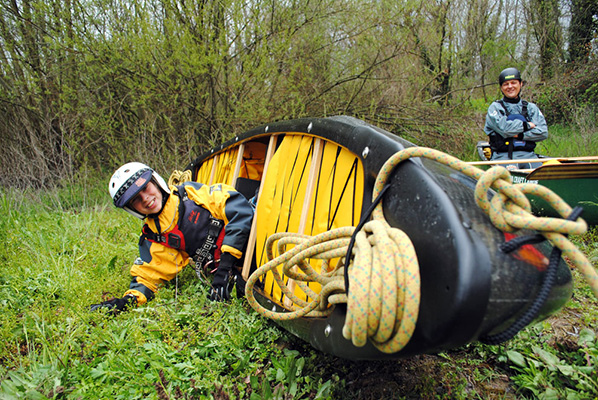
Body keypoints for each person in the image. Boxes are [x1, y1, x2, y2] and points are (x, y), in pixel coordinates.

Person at [90, 162, 254, 314]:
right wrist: (126, 302)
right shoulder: (155, 236)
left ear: (156, 181)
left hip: (255, 235)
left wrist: (224, 270)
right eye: (136, 200)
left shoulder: (192, 194)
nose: (146, 199)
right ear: (131, 209)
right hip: (242, 266)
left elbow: (239, 210)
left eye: (146, 188)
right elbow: (149, 276)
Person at [484, 67, 548, 167]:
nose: (510, 86)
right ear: (501, 88)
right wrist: (527, 126)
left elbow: (543, 132)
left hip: (529, 156)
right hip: (502, 157)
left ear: (520, 84)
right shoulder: (495, 108)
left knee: (541, 174)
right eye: (506, 84)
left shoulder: (531, 108)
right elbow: (505, 129)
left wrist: (520, 135)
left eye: (513, 82)